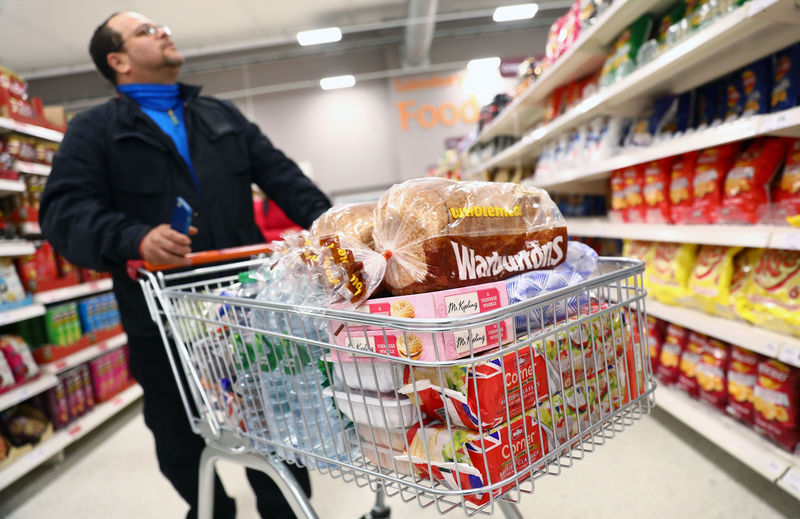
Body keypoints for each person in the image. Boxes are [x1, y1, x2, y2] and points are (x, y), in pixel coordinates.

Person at [39, 11, 331, 519]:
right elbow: (63, 213)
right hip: (160, 316)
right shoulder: (93, 131)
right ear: (119, 60)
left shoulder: (220, 115)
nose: (164, 31)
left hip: (245, 308)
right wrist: (135, 238)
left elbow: (284, 177)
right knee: (176, 436)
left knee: (276, 423)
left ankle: (285, 510)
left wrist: (338, 226)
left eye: (161, 26)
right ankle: (211, 508)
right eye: (146, 31)